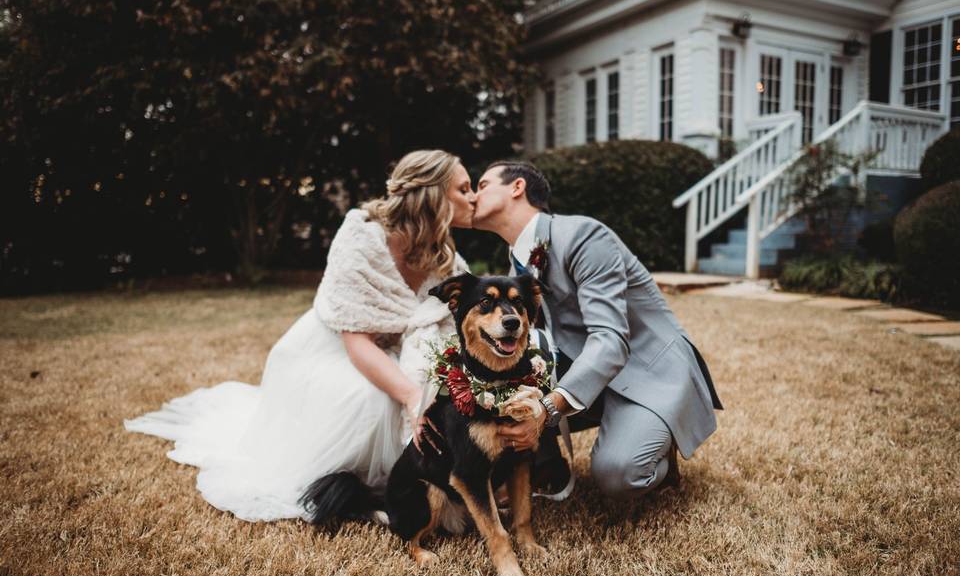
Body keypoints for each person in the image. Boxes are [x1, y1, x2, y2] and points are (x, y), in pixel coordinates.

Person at [125, 149, 475, 521]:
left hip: (399, 353)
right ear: (434, 196)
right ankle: (364, 484)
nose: (473, 197)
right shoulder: (363, 236)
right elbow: (357, 343)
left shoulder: (445, 256)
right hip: (333, 352)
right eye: (464, 188)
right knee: (372, 401)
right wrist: (411, 396)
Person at [471, 161, 723, 498]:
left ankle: (659, 449)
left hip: (647, 370)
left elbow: (610, 340)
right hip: (583, 367)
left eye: (482, 185)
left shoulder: (583, 236)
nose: (473, 196)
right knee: (500, 367)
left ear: (517, 187)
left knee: (619, 475)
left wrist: (546, 410)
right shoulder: (517, 258)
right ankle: (547, 466)